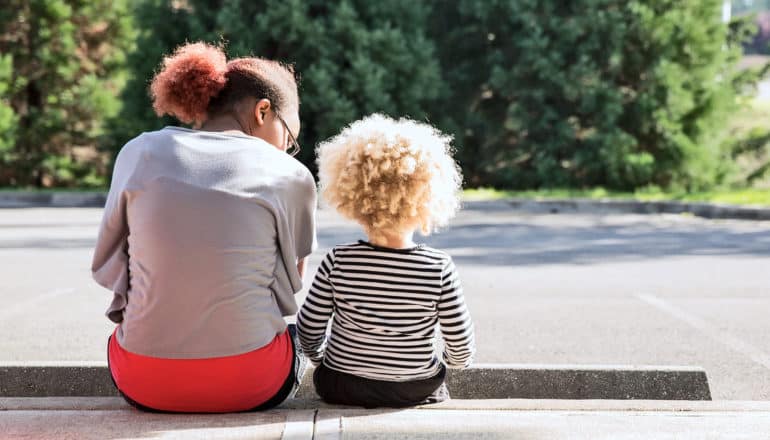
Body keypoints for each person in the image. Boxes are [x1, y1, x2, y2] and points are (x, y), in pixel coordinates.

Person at [91, 42, 316, 413]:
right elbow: (288, 289)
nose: (287, 151)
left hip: (143, 381)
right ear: (263, 111)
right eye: (289, 139)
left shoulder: (139, 152)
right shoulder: (290, 174)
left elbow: (109, 265)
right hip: (253, 383)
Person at [296, 114, 475, 408]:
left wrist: (324, 360)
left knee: (331, 372)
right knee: (436, 383)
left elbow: (308, 331)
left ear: (352, 193)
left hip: (341, 385)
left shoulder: (338, 260)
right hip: (413, 388)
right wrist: (447, 362)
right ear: (427, 196)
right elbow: (461, 348)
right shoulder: (439, 267)